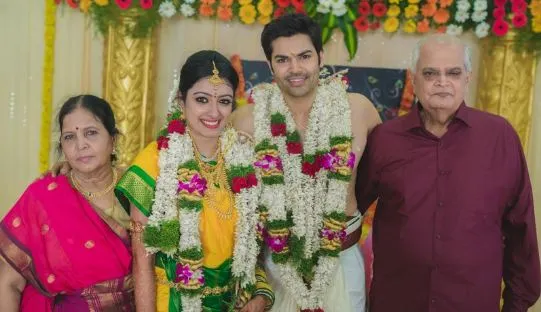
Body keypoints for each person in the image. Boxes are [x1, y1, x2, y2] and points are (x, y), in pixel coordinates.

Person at [356, 34, 541, 311]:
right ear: (414, 78)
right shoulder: (385, 138)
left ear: (467, 78)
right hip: (397, 302)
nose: (442, 82)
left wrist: (517, 304)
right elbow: (349, 207)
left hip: (472, 303)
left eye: (453, 73)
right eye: (431, 73)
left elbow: (520, 227)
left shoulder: (499, 136)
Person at [231, 13, 381, 312]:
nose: (295, 68)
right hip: (277, 266)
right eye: (283, 59)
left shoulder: (357, 109)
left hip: (342, 257)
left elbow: (387, 172)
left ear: (320, 56)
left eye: (304, 56)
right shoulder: (247, 120)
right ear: (270, 64)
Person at [115, 50, 274, 312]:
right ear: (181, 101)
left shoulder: (243, 161)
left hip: (229, 304)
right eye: (202, 99)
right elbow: (142, 264)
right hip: (174, 303)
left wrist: (260, 295)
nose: (214, 112)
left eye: (223, 101)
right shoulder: (154, 162)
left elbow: (252, 250)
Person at [0, 95, 134, 311]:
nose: (81, 145)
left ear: (113, 140)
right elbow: (8, 284)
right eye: (70, 137)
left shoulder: (137, 186)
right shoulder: (44, 197)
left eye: (91, 133)